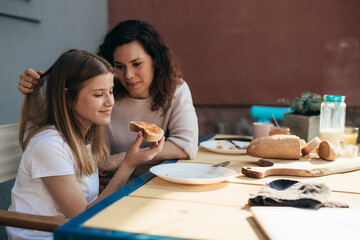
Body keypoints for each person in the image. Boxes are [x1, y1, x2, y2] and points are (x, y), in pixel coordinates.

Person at [7, 49, 164, 240]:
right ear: (68, 98)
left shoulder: (83, 138)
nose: (110, 102)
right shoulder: (49, 145)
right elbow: (83, 216)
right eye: (98, 94)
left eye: (111, 92)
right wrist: (128, 164)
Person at [18, 19, 198, 179]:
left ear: (156, 61)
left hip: (156, 181)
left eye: (137, 64)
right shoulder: (104, 91)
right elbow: (58, 120)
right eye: (119, 66)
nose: (128, 75)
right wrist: (34, 92)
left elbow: (185, 144)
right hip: (104, 186)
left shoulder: (176, 89)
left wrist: (121, 159)